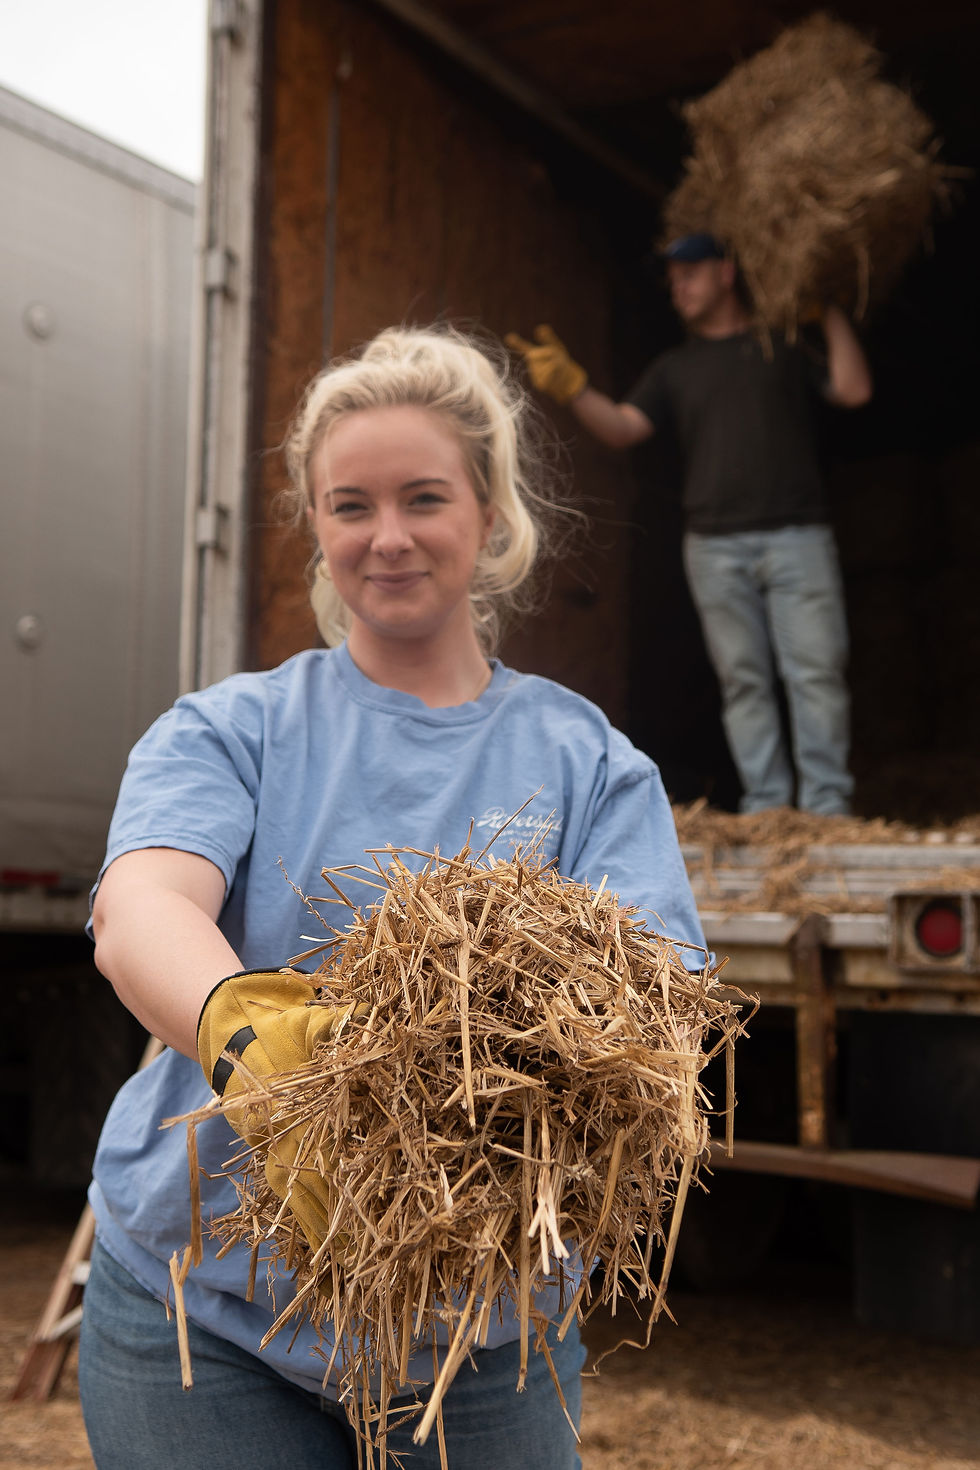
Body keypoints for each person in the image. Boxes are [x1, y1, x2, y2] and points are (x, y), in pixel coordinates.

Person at [79, 324, 708, 1469]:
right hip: (205, 1304)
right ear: (316, 529)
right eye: (348, 506)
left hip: (479, 1331)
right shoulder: (232, 729)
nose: (388, 537)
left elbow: (654, 998)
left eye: (423, 497)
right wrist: (257, 1047)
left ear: (489, 513)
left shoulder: (587, 761)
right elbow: (141, 910)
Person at [507, 233, 874, 815]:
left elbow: (853, 390)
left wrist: (827, 314)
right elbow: (625, 427)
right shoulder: (674, 369)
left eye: (691, 272)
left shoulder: (779, 345)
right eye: (672, 277)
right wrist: (575, 389)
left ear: (727, 273)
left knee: (816, 673)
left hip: (797, 535)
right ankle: (770, 811)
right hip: (714, 545)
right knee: (744, 681)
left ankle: (828, 807)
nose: (678, 285)